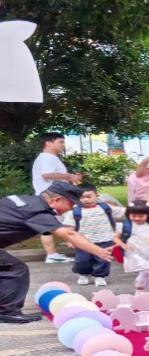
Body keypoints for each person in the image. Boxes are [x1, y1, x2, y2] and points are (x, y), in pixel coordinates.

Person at [0, 182, 111, 324]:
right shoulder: (37, 213)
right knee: (16, 269)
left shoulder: (24, 200)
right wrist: (99, 251)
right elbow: (69, 234)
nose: (71, 208)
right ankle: (7, 312)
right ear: (57, 200)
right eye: (71, 204)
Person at [30, 131, 81, 264]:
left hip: (48, 196)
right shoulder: (47, 157)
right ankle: (83, 249)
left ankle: (53, 254)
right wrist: (70, 176)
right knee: (74, 219)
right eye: (60, 142)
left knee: (49, 226)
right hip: (52, 196)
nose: (63, 145)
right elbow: (47, 174)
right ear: (48, 143)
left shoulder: (46, 157)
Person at [63, 185, 125, 287]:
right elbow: (69, 228)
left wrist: (137, 208)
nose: (85, 200)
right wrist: (70, 240)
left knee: (102, 259)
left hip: (105, 239)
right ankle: (84, 274)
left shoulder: (105, 208)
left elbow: (122, 211)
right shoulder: (74, 212)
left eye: (89, 196)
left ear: (96, 195)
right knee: (82, 260)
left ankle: (100, 276)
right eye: (82, 197)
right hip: (83, 242)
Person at [116, 201, 149, 291]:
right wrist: (123, 245)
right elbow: (115, 238)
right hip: (134, 251)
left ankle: (144, 290)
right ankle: (139, 288)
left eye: (141, 216)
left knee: (148, 271)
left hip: (148, 250)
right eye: (133, 216)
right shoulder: (125, 225)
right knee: (145, 270)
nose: (137, 218)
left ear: (148, 215)